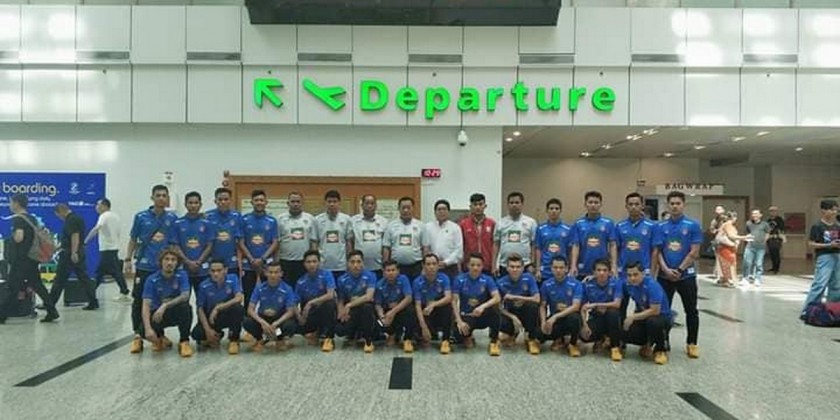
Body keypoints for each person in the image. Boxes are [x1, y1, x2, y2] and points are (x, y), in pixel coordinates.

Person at [126, 185, 178, 353]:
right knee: (139, 301)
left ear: (168, 198)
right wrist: (127, 259)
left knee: (160, 302)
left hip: (163, 268)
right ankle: (137, 336)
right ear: (152, 197)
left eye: (164, 195)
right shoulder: (141, 217)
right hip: (144, 266)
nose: (161, 198)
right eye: (158, 195)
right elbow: (133, 239)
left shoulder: (172, 218)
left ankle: (159, 335)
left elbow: (174, 243)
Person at [654, 191, 703, 359]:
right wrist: (666, 270)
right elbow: (658, 251)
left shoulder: (693, 225)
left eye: (678, 203)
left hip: (686, 276)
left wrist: (680, 270)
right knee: (663, 311)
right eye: (672, 203)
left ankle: (692, 343)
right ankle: (663, 342)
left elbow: (694, 252)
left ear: (683, 205)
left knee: (691, 310)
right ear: (667, 205)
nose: (675, 206)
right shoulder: (660, 227)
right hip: (664, 276)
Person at [0, 193, 59, 324]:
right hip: (32, 257)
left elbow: (19, 238)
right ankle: (52, 311)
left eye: (11, 202)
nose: (10, 205)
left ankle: (2, 315)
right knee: (38, 285)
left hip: (21, 259)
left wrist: (12, 236)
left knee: (12, 287)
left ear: (16, 203)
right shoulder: (32, 218)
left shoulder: (18, 219)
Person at [138, 247, 193, 357]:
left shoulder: (182, 275)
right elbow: (146, 304)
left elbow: (185, 295)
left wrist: (165, 305)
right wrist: (148, 329)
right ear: (161, 261)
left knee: (186, 307)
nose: (169, 263)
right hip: (158, 314)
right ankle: (160, 338)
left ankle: (184, 341)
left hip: (174, 312)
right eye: (166, 259)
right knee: (143, 330)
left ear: (177, 263)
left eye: (173, 260)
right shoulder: (151, 279)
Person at [49, 203, 99, 310]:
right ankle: (93, 301)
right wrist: (58, 247)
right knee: (83, 278)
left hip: (70, 254)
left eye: (58, 215)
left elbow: (75, 236)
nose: (60, 218)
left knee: (59, 280)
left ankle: (50, 303)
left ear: (61, 211)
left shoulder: (71, 220)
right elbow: (69, 238)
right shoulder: (75, 218)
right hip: (75, 251)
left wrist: (74, 252)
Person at [452, 253, 502, 356]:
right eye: (472, 265)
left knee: (495, 311)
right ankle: (468, 337)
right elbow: (454, 301)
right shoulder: (459, 279)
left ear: (482, 266)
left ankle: (494, 341)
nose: (475, 268)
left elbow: (497, 297)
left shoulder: (487, 279)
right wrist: (459, 321)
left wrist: (482, 307)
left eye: (478, 265)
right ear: (467, 265)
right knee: (458, 334)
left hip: (482, 315)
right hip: (467, 315)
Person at [243, 261, 299, 352]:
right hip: (263, 319)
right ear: (266, 273)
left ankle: (277, 338)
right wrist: (262, 322)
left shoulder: (287, 289)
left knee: (290, 324)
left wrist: (276, 323)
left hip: (279, 320)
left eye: (276, 272)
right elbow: (250, 309)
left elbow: (290, 311)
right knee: (246, 321)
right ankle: (261, 338)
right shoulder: (259, 288)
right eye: (271, 272)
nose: (273, 275)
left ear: (281, 274)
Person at [191, 259, 244, 355]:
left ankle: (234, 340)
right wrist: (207, 330)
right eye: (213, 271)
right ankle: (216, 334)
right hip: (211, 318)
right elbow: (200, 309)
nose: (216, 274)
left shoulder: (232, 278)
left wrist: (218, 307)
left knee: (238, 308)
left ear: (225, 270)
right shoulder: (203, 286)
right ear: (209, 271)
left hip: (226, 314)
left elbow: (239, 297)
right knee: (197, 334)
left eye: (219, 270)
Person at [623, 261, 671, 365]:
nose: (632, 278)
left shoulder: (652, 285)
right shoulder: (628, 285)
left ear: (643, 273)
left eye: (635, 274)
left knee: (653, 322)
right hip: (644, 316)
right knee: (625, 331)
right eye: (629, 275)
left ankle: (660, 349)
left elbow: (655, 310)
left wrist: (633, 317)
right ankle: (646, 343)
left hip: (660, 317)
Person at [84, 198, 130, 302]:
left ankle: (89, 293)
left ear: (104, 206)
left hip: (107, 249)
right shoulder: (115, 216)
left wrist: (85, 241)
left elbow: (96, 228)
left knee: (100, 272)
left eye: (98, 204)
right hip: (113, 248)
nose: (96, 207)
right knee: (114, 272)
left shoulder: (104, 216)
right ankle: (124, 291)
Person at [801, 199, 840, 318]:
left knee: (836, 285)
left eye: (836, 210)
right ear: (823, 210)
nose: (834, 212)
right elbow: (811, 243)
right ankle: (808, 310)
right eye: (832, 210)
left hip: (837, 256)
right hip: (824, 257)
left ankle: (832, 310)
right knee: (820, 284)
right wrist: (828, 245)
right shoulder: (817, 226)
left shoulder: (837, 226)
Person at [239, 189, 279, 305]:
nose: (259, 202)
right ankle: (248, 316)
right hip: (248, 265)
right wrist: (251, 259)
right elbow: (241, 242)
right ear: (251, 202)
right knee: (248, 296)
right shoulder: (244, 219)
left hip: (266, 265)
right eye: (256, 200)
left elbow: (275, 242)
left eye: (261, 200)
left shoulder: (272, 221)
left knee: (269, 296)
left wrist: (262, 259)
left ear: (266, 202)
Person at [170, 192, 215, 295]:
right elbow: (175, 245)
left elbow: (210, 245)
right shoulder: (177, 223)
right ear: (185, 204)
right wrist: (187, 262)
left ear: (200, 204)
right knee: (182, 300)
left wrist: (198, 262)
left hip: (203, 270)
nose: (193, 205)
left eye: (196, 203)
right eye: (190, 203)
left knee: (204, 300)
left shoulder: (207, 223)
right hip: (183, 269)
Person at [496, 254, 541, 354]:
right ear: (507, 268)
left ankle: (530, 338)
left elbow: (537, 299)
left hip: (526, 312)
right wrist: (513, 317)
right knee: (497, 318)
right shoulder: (500, 283)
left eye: (518, 267)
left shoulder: (529, 278)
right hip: (510, 313)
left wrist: (516, 297)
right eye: (512, 267)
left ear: (523, 268)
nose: (515, 270)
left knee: (533, 307)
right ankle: (511, 334)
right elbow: (498, 306)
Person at [539, 256, 583, 357]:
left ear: (566, 269)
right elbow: (542, 306)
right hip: (555, 319)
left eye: (561, 267)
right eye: (555, 267)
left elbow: (576, 306)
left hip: (570, 317)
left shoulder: (576, 284)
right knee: (539, 334)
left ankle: (573, 344)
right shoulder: (546, 284)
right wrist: (543, 322)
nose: (558, 270)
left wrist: (555, 317)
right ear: (551, 269)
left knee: (575, 318)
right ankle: (559, 339)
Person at [580, 258, 623, 362]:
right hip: (597, 317)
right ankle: (602, 338)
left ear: (609, 272)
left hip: (612, 318)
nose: (602, 273)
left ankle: (615, 347)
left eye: (604, 270)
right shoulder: (587, 284)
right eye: (598, 270)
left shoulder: (616, 283)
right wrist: (584, 325)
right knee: (584, 336)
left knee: (612, 312)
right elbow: (583, 308)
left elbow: (617, 304)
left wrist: (596, 304)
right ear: (594, 272)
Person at [295, 250, 338, 352]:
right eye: (308, 262)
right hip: (310, 313)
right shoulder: (301, 281)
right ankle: (314, 332)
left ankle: (328, 338)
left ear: (319, 263)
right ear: (304, 264)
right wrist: (299, 317)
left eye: (314, 261)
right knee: (293, 325)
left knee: (329, 304)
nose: (311, 265)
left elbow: (330, 294)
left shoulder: (327, 274)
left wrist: (311, 302)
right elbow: (293, 303)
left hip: (324, 309)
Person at [335, 250, 377, 353]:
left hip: (366, 309)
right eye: (352, 262)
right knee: (340, 330)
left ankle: (368, 340)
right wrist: (341, 312)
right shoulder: (341, 279)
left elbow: (369, 296)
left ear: (363, 263)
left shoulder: (371, 276)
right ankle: (354, 333)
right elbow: (340, 299)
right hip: (352, 311)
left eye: (358, 262)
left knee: (367, 307)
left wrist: (349, 304)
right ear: (347, 264)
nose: (355, 265)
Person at [569, 191, 617, 279]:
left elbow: (613, 245)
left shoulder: (608, 223)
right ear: (585, 204)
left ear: (600, 204)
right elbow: (576, 245)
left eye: (596, 202)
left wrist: (614, 266)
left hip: (603, 270)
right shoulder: (578, 224)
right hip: (583, 268)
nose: (593, 205)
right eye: (590, 202)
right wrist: (573, 265)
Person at [412, 253, 453, 354]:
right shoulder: (417, 282)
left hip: (437, 309)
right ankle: (419, 335)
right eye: (428, 264)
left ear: (438, 265)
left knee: (448, 307)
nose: (431, 267)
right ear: (423, 266)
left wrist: (433, 304)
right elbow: (417, 305)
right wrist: (424, 327)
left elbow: (448, 297)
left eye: (434, 264)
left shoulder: (444, 278)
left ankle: (445, 340)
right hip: (425, 311)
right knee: (412, 310)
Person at [310, 189, 354, 280]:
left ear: (339, 203)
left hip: (341, 266)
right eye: (329, 201)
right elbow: (314, 243)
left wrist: (349, 261)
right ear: (325, 203)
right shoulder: (317, 220)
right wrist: (315, 262)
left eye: (334, 201)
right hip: (323, 265)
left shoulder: (346, 219)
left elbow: (349, 243)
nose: (332, 204)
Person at [375, 259, 416, 353]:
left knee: (410, 309)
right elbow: (378, 304)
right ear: (383, 272)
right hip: (387, 309)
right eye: (388, 270)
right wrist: (382, 317)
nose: (391, 273)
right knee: (376, 317)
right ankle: (391, 334)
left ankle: (407, 339)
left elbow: (408, 298)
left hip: (400, 309)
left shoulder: (403, 279)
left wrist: (393, 312)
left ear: (398, 271)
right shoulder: (379, 285)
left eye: (393, 270)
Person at [493, 192, 537, 278]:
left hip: (526, 265)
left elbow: (533, 244)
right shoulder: (500, 223)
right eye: (511, 203)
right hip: (505, 265)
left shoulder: (531, 222)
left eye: (517, 202)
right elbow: (496, 244)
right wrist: (494, 265)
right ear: (507, 204)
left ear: (522, 204)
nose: (514, 205)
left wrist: (532, 264)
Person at [383, 196, 427, 280]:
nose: (406, 210)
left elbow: (425, 248)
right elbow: (386, 248)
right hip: (396, 267)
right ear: (399, 209)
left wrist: (425, 267)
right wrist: (385, 267)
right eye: (403, 208)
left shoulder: (421, 225)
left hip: (416, 267)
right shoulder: (391, 226)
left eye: (408, 208)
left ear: (413, 208)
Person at [277, 191, 315, 287]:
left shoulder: (310, 219)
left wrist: (313, 260)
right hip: (285, 261)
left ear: (302, 203)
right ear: (288, 203)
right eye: (293, 202)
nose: (295, 204)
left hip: (304, 261)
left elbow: (313, 242)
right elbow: (276, 242)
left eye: (298, 202)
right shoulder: (280, 219)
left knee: (304, 289)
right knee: (286, 288)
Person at [615, 193, 657, 277]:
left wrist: (652, 272)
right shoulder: (619, 226)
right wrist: (615, 268)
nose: (633, 207)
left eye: (637, 204)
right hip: (623, 271)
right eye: (630, 204)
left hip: (644, 271)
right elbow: (615, 249)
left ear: (642, 206)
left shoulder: (652, 226)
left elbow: (655, 251)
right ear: (626, 206)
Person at [205, 187, 243, 276]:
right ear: (215, 201)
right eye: (220, 199)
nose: (223, 202)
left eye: (226, 199)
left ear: (230, 201)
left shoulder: (237, 216)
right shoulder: (207, 217)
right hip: (213, 263)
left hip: (232, 263)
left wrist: (240, 265)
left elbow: (239, 242)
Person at [534, 198, 571, 283]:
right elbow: (538, 249)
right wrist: (538, 269)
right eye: (551, 208)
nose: (554, 211)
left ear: (561, 210)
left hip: (562, 270)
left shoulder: (568, 229)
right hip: (545, 270)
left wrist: (569, 267)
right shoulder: (540, 229)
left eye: (557, 208)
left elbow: (570, 250)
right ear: (547, 211)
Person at [424, 199, 463, 280]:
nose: (441, 211)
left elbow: (458, 250)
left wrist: (446, 262)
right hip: (432, 268)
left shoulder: (455, 227)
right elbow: (426, 247)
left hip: (450, 267)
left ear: (448, 212)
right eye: (439, 209)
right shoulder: (427, 227)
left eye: (444, 209)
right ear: (435, 212)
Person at [350, 194, 387, 278]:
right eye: (367, 203)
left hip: (378, 267)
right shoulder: (353, 221)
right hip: (358, 267)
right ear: (362, 205)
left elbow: (386, 246)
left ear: (376, 205)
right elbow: (350, 242)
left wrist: (385, 264)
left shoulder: (384, 222)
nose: (369, 206)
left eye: (372, 203)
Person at [459, 193, 495, 274]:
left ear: (485, 206)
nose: (478, 207)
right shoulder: (463, 224)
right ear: (470, 206)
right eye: (475, 204)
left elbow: (495, 245)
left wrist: (494, 265)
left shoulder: (492, 223)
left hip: (487, 265)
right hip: (469, 266)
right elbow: (460, 246)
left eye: (480, 204)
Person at [717, 212, 751, 288]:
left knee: (728, 263)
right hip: (726, 247)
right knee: (729, 263)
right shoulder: (728, 225)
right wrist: (744, 237)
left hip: (728, 247)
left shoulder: (727, 225)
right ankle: (728, 280)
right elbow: (731, 236)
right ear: (734, 218)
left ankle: (726, 279)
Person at [741, 209, 770, 288]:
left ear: (760, 215)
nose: (754, 215)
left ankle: (757, 278)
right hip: (750, 246)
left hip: (760, 247)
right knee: (747, 262)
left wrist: (764, 241)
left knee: (758, 263)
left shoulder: (765, 224)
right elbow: (747, 233)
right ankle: (745, 278)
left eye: (756, 214)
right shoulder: (748, 223)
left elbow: (767, 233)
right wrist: (747, 239)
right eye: (753, 214)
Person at [766, 206, 786, 274]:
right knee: (771, 253)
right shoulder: (768, 220)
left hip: (777, 239)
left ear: (776, 212)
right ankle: (773, 267)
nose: (772, 212)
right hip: (770, 238)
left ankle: (777, 268)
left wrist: (781, 237)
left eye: (774, 211)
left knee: (776, 253)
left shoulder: (779, 220)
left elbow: (782, 229)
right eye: (771, 211)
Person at [709, 205, 726, 281]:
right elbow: (712, 231)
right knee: (718, 258)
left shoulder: (726, 219)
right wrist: (718, 230)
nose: (718, 211)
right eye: (717, 210)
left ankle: (724, 274)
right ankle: (719, 274)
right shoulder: (714, 221)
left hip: (726, 240)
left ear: (723, 210)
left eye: (720, 209)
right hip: (718, 241)